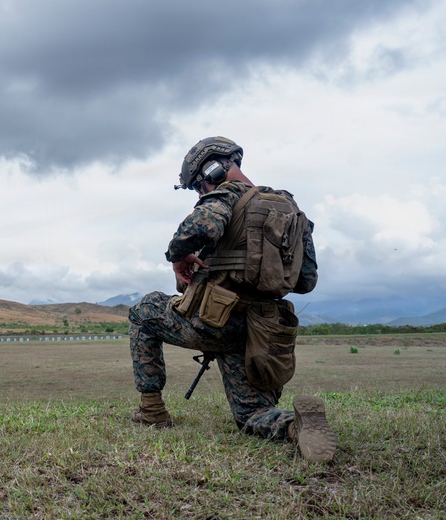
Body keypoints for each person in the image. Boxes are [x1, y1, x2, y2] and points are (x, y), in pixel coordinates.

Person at [128, 136, 337, 463]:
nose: (200, 193)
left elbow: (196, 230)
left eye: (198, 186)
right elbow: (306, 280)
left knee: (143, 311)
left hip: (215, 322)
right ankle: (295, 426)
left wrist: (177, 257)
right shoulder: (292, 210)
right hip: (263, 332)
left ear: (211, 170)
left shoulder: (224, 195)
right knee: (251, 414)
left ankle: (152, 410)